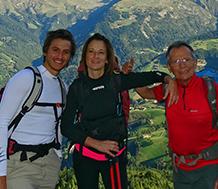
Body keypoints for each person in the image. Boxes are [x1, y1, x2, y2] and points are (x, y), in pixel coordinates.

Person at [61, 33, 178, 189]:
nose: (96, 56)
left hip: (113, 158)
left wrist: (168, 79)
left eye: (101, 52)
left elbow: (147, 77)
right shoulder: (77, 88)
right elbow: (66, 126)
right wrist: (97, 144)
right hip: (85, 157)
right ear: (85, 57)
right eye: (91, 51)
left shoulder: (116, 80)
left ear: (108, 58)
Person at [134, 41, 218, 189]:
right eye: (176, 62)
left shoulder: (210, 90)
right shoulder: (168, 90)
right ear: (169, 68)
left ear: (195, 62)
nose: (182, 65)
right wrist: (129, 75)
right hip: (180, 170)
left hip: (210, 167)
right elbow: (143, 92)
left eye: (186, 60)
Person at [0, 29, 77, 189]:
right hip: (20, 163)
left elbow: (56, 123)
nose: (60, 56)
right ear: (45, 51)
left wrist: (57, 155)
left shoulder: (63, 88)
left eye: (66, 52)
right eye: (55, 50)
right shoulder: (26, 78)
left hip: (49, 165)